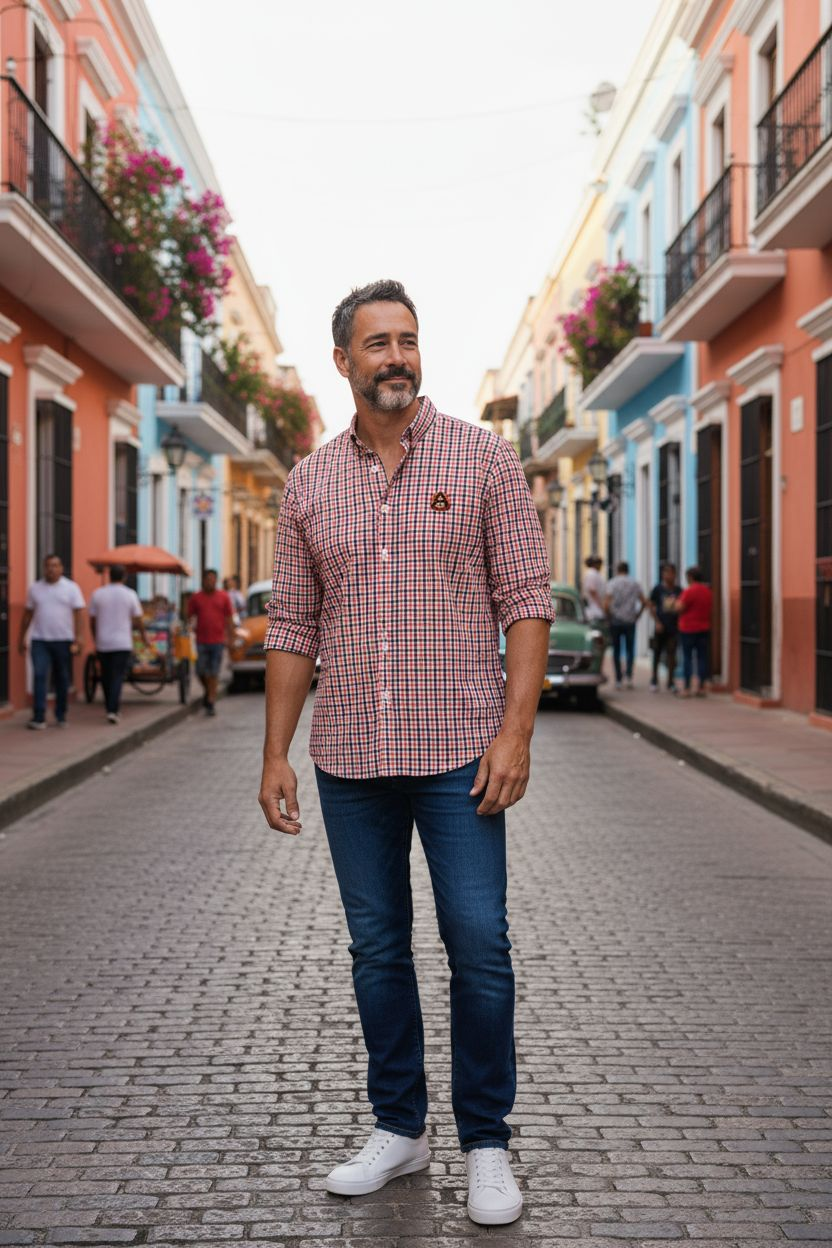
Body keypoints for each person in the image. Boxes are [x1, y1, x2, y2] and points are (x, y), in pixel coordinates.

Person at [258, 280, 553, 1226]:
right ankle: (401, 1128)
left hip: (461, 754)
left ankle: (486, 1142)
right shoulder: (309, 483)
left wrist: (516, 732)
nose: (397, 356)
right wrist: (275, 754)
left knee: (479, 944)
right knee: (377, 949)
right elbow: (292, 627)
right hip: (349, 758)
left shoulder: (482, 457)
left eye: (408, 339)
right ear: (342, 360)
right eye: (378, 342)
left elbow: (527, 600)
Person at [18, 554, 85, 729]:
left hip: (63, 640)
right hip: (40, 639)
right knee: (39, 675)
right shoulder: (35, 589)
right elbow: (27, 614)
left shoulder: (71, 588)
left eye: (55, 565)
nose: (51, 569)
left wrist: (79, 637)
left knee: (61, 678)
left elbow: (78, 614)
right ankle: (39, 716)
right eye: (48, 566)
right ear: (44, 568)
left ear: (61, 568)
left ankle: (61, 714)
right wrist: (21, 638)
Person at [88, 564, 147, 724]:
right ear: (124, 577)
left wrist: (95, 637)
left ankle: (110, 706)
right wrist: (144, 637)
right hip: (122, 643)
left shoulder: (98, 594)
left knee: (106, 675)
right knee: (117, 676)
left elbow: (92, 620)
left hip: (103, 642)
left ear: (109, 576)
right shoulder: (130, 594)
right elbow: (138, 619)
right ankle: (113, 709)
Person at [188, 569, 234, 716]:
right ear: (203, 580)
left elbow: (229, 618)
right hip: (201, 640)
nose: (210, 582)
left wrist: (230, 638)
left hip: (218, 641)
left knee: (213, 671)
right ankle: (209, 691)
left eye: (213, 579)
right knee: (200, 671)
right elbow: (190, 616)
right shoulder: (196, 598)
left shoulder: (223, 597)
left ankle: (211, 701)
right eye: (208, 579)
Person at [604, 560, 646, 690]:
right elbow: (644, 601)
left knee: (616, 650)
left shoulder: (612, 583)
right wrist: (638, 615)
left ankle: (618, 679)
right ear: (628, 570)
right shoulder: (635, 583)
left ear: (617, 570)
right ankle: (629, 677)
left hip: (616, 621)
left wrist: (609, 617)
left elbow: (606, 604)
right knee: (630, 650)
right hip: (630, 621)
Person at [676, 565, 713, 698]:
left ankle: (686, 688)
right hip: (703, 628)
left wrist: (674, 604)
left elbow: (679, 607)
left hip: (688, 629)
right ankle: (701, 687)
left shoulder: (689, 591)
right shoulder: (707, 591)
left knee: (687, 658)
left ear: (690, 577)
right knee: (702, 658)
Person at [648, 562, 681, 693]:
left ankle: (670, 681)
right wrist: (657, 622)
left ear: (674, 574)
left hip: (673, 627)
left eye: (671, 573)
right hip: (660, 626)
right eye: (666, 572)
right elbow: (651, 605)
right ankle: (654, 680)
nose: (668, 575)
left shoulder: (678, 590)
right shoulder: (658, 589)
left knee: (672, 654)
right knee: (657, 653)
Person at [581, 555, 607, 623]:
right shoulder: (592, 573)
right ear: (596, 564)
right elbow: (592, 590)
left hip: (595, 607)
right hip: (594, 609)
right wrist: (600, 605)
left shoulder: (594, 573)